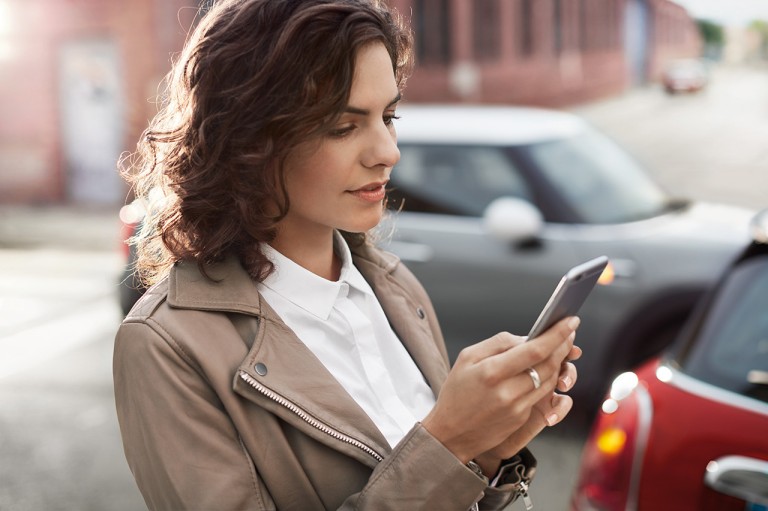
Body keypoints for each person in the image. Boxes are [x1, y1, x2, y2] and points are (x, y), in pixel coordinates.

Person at [113, 0, 582, 510]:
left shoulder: (395, 286)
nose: (388, 151)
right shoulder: (165, 346)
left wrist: (488, 451)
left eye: (389, 116)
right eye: (343, 126)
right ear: (249, 140)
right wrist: (449, 442)